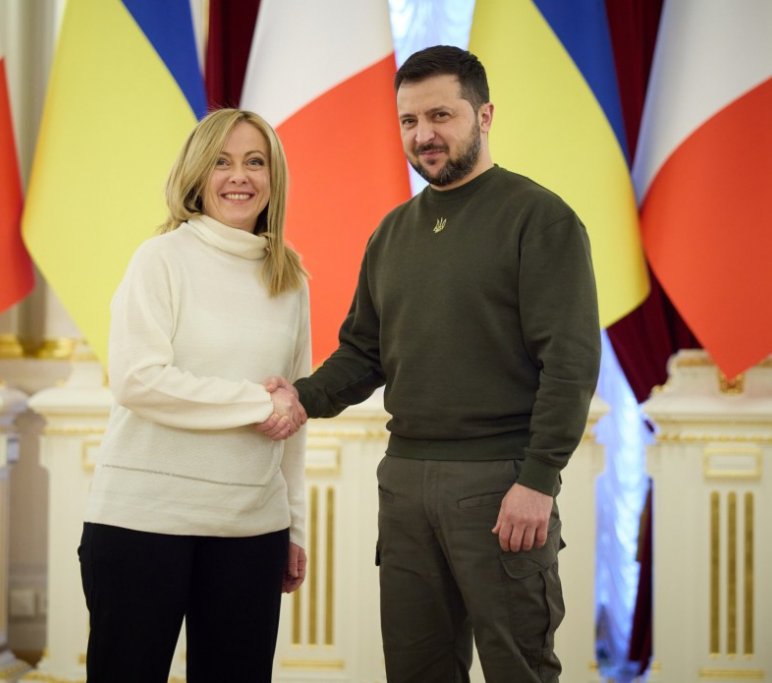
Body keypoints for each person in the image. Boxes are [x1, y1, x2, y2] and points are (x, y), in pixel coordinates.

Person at [262, 46, 601, 682]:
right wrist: (301, 396)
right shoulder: (391, 233)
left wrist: (539, 479)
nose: (424, 135)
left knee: (520, 669)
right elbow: (363, 352)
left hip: (503, 484)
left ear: (485, 115)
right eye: (409, 121)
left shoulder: (540, 219)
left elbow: (571, 362)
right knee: (416, 671)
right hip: (405, 485)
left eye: (441, 115)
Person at [79, 108, 311, 683]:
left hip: (252, 531)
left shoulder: (290, 279)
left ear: (274, 176)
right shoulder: (160, 258)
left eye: (255, 162)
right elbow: (137, 379)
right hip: (141, 524)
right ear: (197, 174)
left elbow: (293, 412)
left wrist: (294, 527)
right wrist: (256, 404)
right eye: (221, 162)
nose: (239, 176)